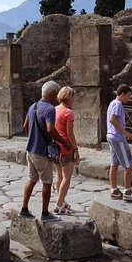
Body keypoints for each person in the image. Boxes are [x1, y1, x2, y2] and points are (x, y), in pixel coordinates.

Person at [19, 81, 69, 222]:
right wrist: (62, 141)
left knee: (31, 179)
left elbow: (25, 126)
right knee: (47, 182)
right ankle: (45, 213)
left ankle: (24, 209)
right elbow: (50, 129)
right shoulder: (49, 109)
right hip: (42, 151)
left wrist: (33, 136)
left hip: (30, 150)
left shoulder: (32, 106)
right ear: (52, 94)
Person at [107, 84, 132, 201]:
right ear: (122, 94)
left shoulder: (112, 103)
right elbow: (112, 119)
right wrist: (126, 133)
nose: (129, 99)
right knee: (129, 164)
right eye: (128, 96)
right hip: (118, 137)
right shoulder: (118, 104)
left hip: (111, 136)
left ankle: (114, 190)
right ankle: (127, 191)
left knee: (114, 164)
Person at [53, 86, 79, 214]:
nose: (74, 99)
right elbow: (70, 133)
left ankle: (61, 200)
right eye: (73, 97)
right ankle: (58, 204)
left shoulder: (54, 110)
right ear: (69, 97)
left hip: (55, 147)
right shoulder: (68, 113)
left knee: (59, 176)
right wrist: (75, 149)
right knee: (66, 178)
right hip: (66, 147)